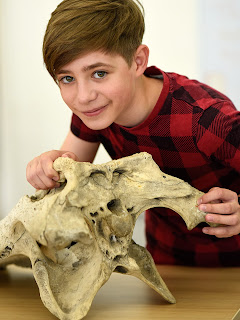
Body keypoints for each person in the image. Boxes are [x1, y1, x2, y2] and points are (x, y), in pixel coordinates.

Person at [26, 0, 240, 267]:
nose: (83, 97)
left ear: (138, 62)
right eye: (67, 79)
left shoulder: (206, 119)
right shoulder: (97, 112)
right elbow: (67, 179)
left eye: (99, 73)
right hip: (165, 264)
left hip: (233, 270)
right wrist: (47, 165)